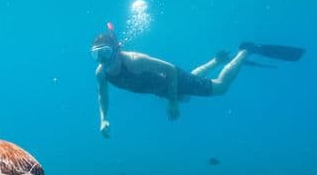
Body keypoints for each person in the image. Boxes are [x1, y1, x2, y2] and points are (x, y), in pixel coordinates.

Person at [92, 26, 303, 137]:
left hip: (172, 80)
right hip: (160, 88)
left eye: (106, 52)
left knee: (220, 87)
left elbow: (171, 71)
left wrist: (172, 101)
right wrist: (103, 119)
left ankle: (245, 50)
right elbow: (103, 95)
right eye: (97, 55)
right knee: (187, 95)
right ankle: (216, 60)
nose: (103, 59)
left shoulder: (136, 62)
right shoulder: (102, 73)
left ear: (117, 50)